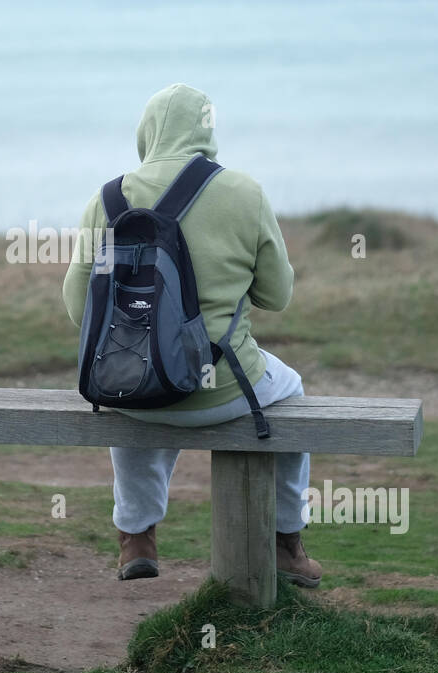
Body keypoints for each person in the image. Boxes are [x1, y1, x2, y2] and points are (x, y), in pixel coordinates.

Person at [62, 83, 321, 587]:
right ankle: (286, 542)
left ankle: (136, 537)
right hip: (226, 390)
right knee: (292, 391)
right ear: (206, 131)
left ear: (148, 133)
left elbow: (78, 309)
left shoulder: (108, 197)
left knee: (131, 370)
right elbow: (278, 295)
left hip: (133, 393)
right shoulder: (244, 192)